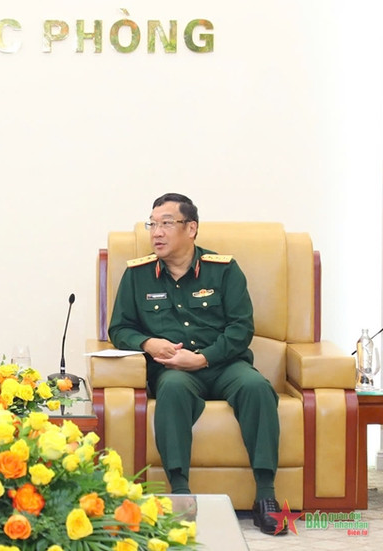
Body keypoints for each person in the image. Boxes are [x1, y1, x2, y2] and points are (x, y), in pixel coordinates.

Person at [108, 192, 285, 536]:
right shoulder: (138, 275)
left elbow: (241, 327)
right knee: (172, 390)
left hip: (223, 363)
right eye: (152, 224)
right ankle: (181, 493)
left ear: (191, 229)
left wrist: (203, 358)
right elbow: (119, 328)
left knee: (257, 387)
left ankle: (266, 495)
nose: (156, 232)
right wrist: (148, 343)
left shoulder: (224, 270)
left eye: (166, 223)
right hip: (173, 370)